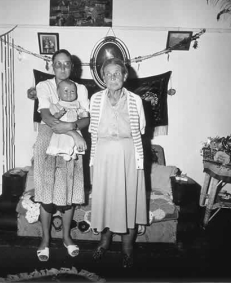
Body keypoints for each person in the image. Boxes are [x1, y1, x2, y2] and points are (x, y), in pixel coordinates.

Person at [89, 57, 148, 268]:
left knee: (129, 203)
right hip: (103, 157)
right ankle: (103, 243)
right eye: (108, 74)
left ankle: (128, 250)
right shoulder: (95, 99)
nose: (112, 77)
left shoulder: (135, 100)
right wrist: (92, 164)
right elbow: (93, 134)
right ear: (102, 77)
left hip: (128, 157)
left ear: (124, 76)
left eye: (117, 74)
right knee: (105, 201)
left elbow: (140, 130)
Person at [34, 49, 90, 262]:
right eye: (59, 64)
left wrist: (73, 126)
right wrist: (73, 132)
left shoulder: (81, 89)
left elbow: (86, 118)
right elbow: (47, 115)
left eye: (67, 64)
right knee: (46, 191)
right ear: (52, 65)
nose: (63, 68)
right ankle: (45, 240)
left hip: (71, 144)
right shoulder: (44, 86)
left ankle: (67, 237)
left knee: (69, 190)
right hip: (48, 138)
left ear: (72, 66)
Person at [46, 79, 89, 161]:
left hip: (73, 127)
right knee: (64, 141)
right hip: (62, 129)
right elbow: (52, 118)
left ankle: (73, 152)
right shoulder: (57, 105)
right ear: (58, 93)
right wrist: (58, 114)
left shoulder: (76, 104)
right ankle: (66, 153)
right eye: (66, 91)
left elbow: (81, 113)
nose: (69, 94)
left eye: (72, 91)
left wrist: (83, 114)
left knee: (72, 141)